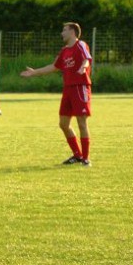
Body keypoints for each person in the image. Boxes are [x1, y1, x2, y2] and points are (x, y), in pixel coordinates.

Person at [20, 22, 93, 166]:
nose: (62, 33)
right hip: (68, 89)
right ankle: (77, 155)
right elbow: (54, 67)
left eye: (64, 30)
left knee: (81, 123)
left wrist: (83, 68)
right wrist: (34, 72)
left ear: (72, 32)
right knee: (63, 124)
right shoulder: (65, 50)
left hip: (80, 87)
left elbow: (87, 59)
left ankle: (85, 158)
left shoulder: (81, 45)